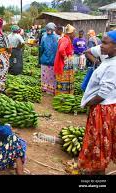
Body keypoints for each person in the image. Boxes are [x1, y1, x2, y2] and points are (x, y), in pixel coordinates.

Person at [78, 30, 116, 175]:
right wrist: (97, 63)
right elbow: (89, 51)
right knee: (99, 143)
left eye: (105, 43)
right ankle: (96, 171)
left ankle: (96, 174)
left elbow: (102, 94)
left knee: (99, 144)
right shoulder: (107, 56)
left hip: (104, 109)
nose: (101, 46)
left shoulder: (113, 66)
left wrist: (87, 103)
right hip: (102, 107)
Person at [54, 24, 76, 95]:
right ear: (70, 33)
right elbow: (61, 50)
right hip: (64, 64)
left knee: (62, 81)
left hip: (64, 63)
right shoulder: (66, 40)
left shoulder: (65, 38)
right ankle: (63, 96)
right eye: (74, 33)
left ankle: (62, 96)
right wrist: (66, 57)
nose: (75, 34)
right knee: (64, 81)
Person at [40, 22, 59, 95]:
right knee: (52, 76)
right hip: (53, 60)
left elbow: (41, 49)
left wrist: (40, 57)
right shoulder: (57, 37)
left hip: (44, 59)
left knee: (45, 75)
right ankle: (51, 90)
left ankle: (45, 88)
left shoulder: (44, 37)